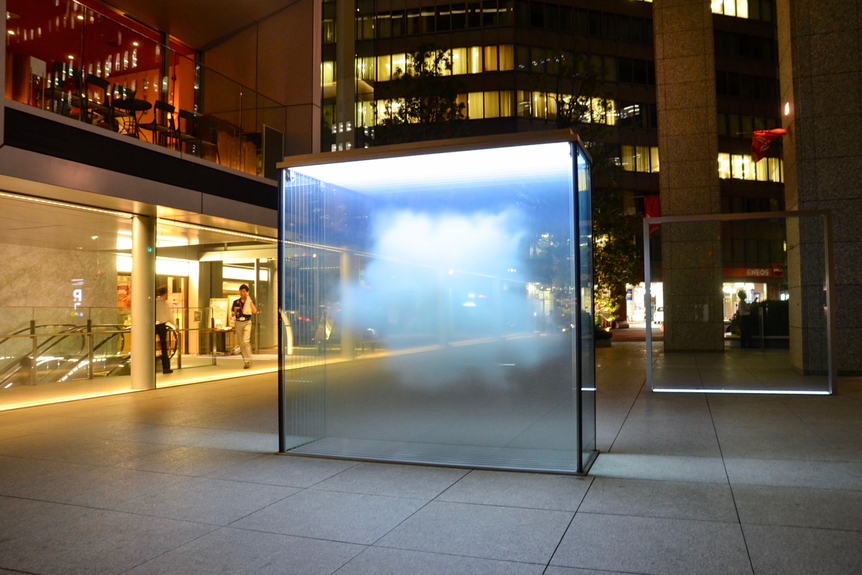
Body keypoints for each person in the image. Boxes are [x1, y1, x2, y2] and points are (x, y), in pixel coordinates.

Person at [232, 284, 257, 368]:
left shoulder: (249, 301)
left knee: (246, 341)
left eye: (244, 291)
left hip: (247, 322)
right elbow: (232, 315)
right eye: (241, 291)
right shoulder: (236, 302)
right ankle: (246, 361)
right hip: (238, 322)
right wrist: (235, 312)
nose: (242, 293)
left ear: (247, 292)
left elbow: (254, 311)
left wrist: (250, 300)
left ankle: (249, 359)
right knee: (241, 343)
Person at [155, 287, 173, 374]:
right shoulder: (164, 304)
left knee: (151, 347)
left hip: (152, 326)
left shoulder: (154, 302)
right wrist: (175, 326)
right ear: (165, 293)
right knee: (163, 347)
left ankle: (150, 366)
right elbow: (170, 316)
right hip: (162, 326)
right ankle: (166, 368)